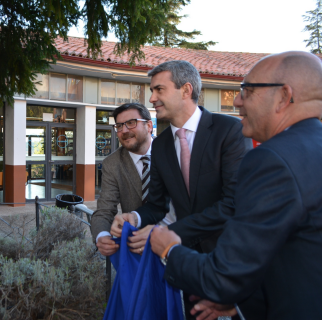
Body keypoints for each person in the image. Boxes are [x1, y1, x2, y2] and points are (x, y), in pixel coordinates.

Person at [151, 51, 322, 320]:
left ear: (284, 96)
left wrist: (169, 249)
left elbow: (223, 277)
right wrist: (244, 304)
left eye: (248, 91)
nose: (238, 101)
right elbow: (299, 259)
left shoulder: (272, 159)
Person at [110, 60, 253, 319]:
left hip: (231, 260)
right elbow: (157, 204)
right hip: (183, 261)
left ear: (186, 90)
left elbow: (233, 204)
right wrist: (136, 217)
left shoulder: (230, 131)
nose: (152, 98)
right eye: (152, 90)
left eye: (159, 90)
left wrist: (167, 232)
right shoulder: (162, 145)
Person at [91, 103, 164, 256]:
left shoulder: (170, 151)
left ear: (149, 125)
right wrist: (102, 235)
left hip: (175, 243)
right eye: (119, 126)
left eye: (131, 123)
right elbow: (104, 210)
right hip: (136, 249)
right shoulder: (112, 164)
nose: (124, 130)